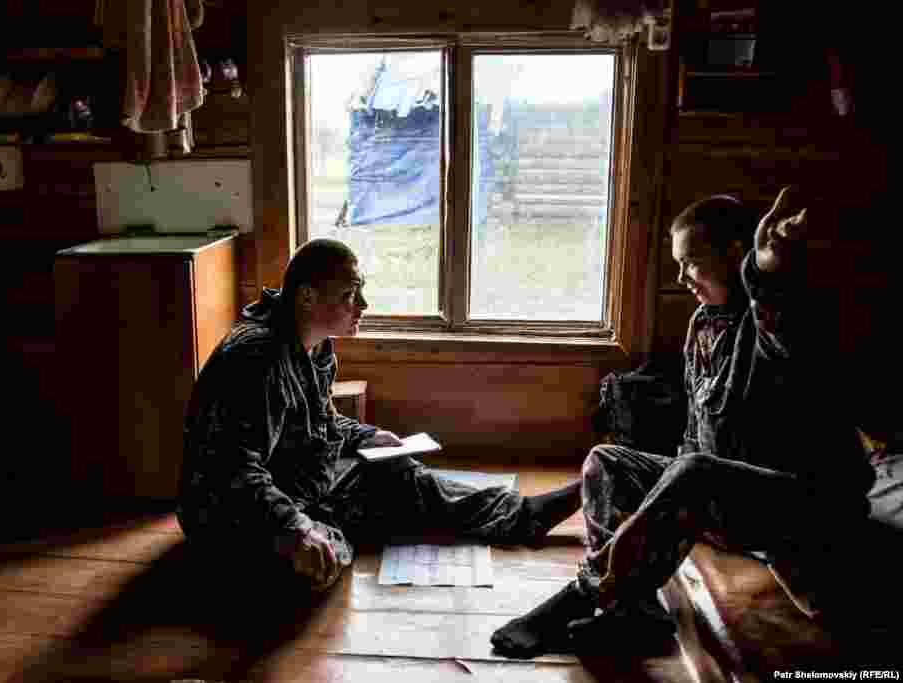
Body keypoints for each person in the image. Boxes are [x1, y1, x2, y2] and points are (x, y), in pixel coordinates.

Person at [490, 187, 876, 658]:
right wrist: (658, 494)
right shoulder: (702, 323)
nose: (681, 276)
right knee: (606, 462)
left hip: (800, 505)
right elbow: (698, 432)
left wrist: (768, 268)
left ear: (736, 253)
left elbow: (776, 320)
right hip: (721, 498)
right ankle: (633, 611)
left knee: (695, 472)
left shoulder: (787, 319)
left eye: (691, 262)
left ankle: (586, 593)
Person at [177, 238, 583, 592]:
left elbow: (321, 422)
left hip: (304, 480)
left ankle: (522, 515)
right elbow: (230, 469)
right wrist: (294, 527)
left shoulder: (314, 345)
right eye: (351, 295)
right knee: (315, 564)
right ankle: (320, 537)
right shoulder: (257, 358)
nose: (364, 305)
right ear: (306, 298)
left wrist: (366, 437)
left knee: (399, 472)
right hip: (234, 510)